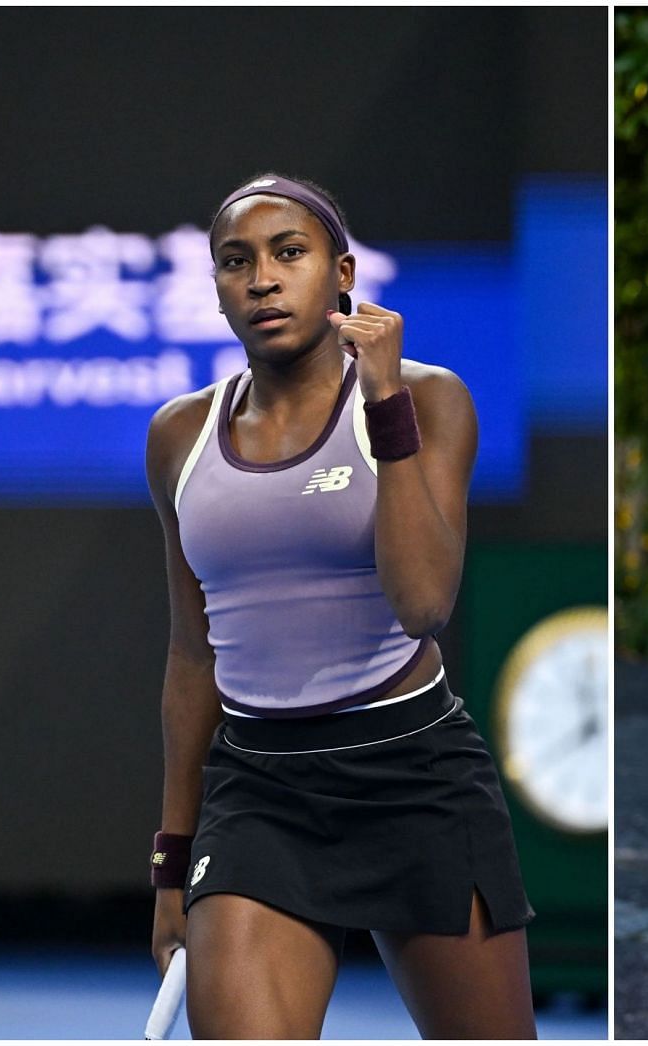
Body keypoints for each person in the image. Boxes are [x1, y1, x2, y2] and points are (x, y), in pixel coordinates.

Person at [146, 173, 536, 1038]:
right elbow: (190, 658)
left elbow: (425, 602)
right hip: (258, 794)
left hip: (414, 774)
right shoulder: (179, 433)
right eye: (235, 262)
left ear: (343, 272)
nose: (263, 279)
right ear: (215, 288)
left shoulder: (428, 399)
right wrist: (171, 865)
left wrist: (385, 400)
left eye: (290, 254)